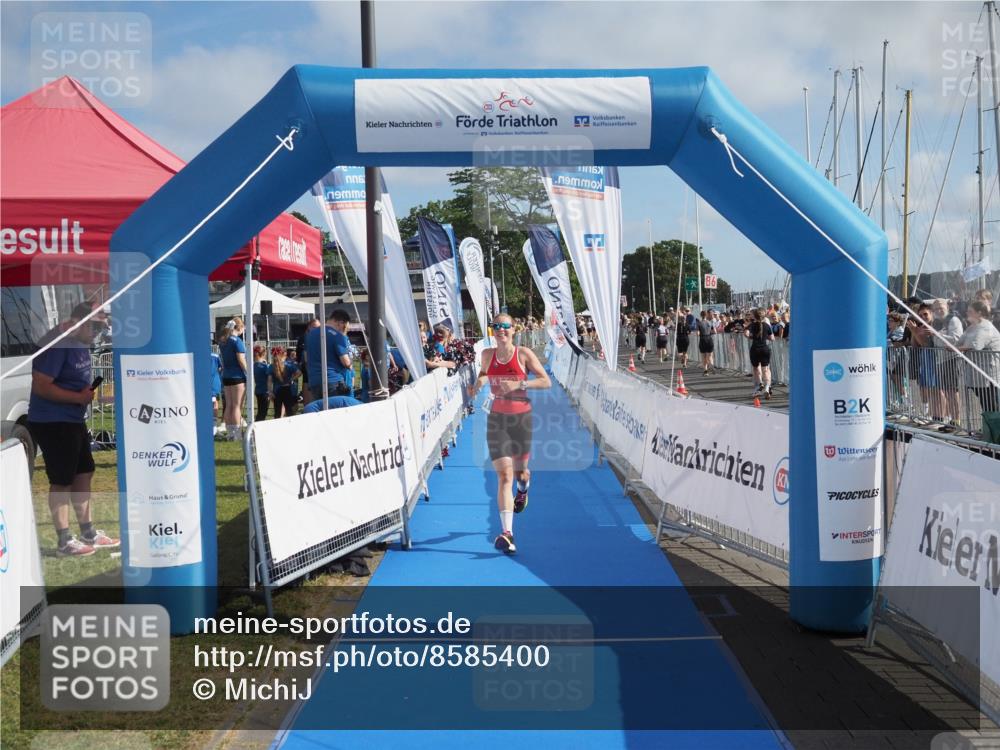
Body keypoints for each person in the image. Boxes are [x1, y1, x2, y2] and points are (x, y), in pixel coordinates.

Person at [28, 302, 119, 557]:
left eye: (102, 327)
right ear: (77, 322)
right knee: (62, 481)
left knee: (84, 473)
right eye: (94, 325)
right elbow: (41, 386)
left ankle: (88, 532)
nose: (98, 332)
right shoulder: (60, 344)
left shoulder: (80, 342)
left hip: (72, 419)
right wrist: (77, 398)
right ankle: (64, 541)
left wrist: (84, 396)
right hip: (53, 421)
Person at [467, 314, 551, 554]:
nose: (501, 330)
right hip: (496, 420)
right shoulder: (487, 355)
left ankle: (523, 491)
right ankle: (507, 533)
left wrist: (519, 384)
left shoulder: (523, 354)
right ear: (492, 330)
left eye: (505, 326)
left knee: (521, 474)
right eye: (497, 326)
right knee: (505, 476)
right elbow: (484, 373)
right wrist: (479, 384)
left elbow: (546, 382)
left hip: (521, 420)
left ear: (514, 330)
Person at [957, 300, 1000, 415]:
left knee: (990, 403)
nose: (967, 313)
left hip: (988, 373)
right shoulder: (972, 327)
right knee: (985, 402)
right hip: (977, 373)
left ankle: (993, 429)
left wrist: (957, 348)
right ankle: (989, 427)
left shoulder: (986, 327)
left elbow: (976, 345)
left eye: (970, 311)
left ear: (979, 313)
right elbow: (960, 341)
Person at [304, 309, 353, 401]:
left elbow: (306, 358)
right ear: (340, 323)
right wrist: (351, 362)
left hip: (314, 381)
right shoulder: (338, 336)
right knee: (336, 412)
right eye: (344, 326)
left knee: (322, 411)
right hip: (333, 381)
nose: (344, 329)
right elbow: (346, 363)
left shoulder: (310, 334)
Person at [219, 317, 248, 441]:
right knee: (236, 406)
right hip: (237, 376)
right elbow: (241, 360)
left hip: (226, 375)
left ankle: (231, 433)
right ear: (239, 328)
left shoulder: (223, 340)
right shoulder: (237, 341)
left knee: (229, 405)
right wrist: (248, 372)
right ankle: (236, 434)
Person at [744, 309, 774, 399]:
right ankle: (767, 387)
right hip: (764, 349)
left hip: (755, 349)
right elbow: (772, 338)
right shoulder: (767, 325)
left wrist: (752, 337)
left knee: (756, 369)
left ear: (755, 317)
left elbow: (746, 334)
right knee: (766, 369)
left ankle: (759, 385)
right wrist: (765, 337)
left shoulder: (752, 325)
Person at [270, 346, 300, 418]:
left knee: (277, 412)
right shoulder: (289, 365)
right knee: (289, 411)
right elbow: (299, 373)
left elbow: (269, 381)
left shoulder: (271, 366)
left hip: (276, 391)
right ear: (284, 354)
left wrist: (270, 391)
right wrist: (292, 379)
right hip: (287, 390)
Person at [297, 318, 320, 405]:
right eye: (315, 327)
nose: (317, 329)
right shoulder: (304, 338)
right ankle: (308, 407)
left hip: (317, 368)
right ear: (309, 327)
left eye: (319, 327)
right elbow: (300, 354)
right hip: (307, 369)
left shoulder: (321, 337)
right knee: (307, 385)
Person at [252, 346, 270, 421]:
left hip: (258, 390)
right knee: (263, 412)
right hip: (265, 391)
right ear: (263, 354)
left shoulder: (253, 365)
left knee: (260, 411)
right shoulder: (265, 366)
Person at [696, 310, 716, 374]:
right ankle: (711, 366)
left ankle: (705, 370)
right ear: (706, 315)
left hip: (703, 339)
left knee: (703, 356)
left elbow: (697, 333)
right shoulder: (710, 322)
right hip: (709, 339)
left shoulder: (699, 323)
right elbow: (715, 331)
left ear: (701, 316)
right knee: (710, 356)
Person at [210, 338, 223, 424]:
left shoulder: (199, 355)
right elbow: (221, 367)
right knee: (215, 403)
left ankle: (212, 422)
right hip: (214, 384)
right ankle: (214, 423)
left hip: (206, 384)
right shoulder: (215, 356)